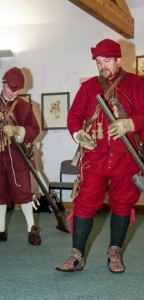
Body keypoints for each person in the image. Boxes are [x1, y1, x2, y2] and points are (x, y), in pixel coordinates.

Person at [56, 39, 144, 273]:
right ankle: (77, 255)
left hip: (126, 156)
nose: (102, 66)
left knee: (122, 204)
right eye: (98, 62)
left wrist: (131, 123)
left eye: (107, 61)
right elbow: (74, 115)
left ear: (118, 60)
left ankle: (115, 253)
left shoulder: (137, 83)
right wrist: (78, 134)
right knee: (84, 202)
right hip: (94, 157)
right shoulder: (88, 87)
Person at [0, 67, 41, 246]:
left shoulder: (24, 106)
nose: (13, 92)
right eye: (10, 88)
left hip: (17, 155)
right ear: (3, 84)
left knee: (25, 192)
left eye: (17, 89)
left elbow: (34, 130)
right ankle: (0, 230)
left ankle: (31, 229)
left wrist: (17, 130)